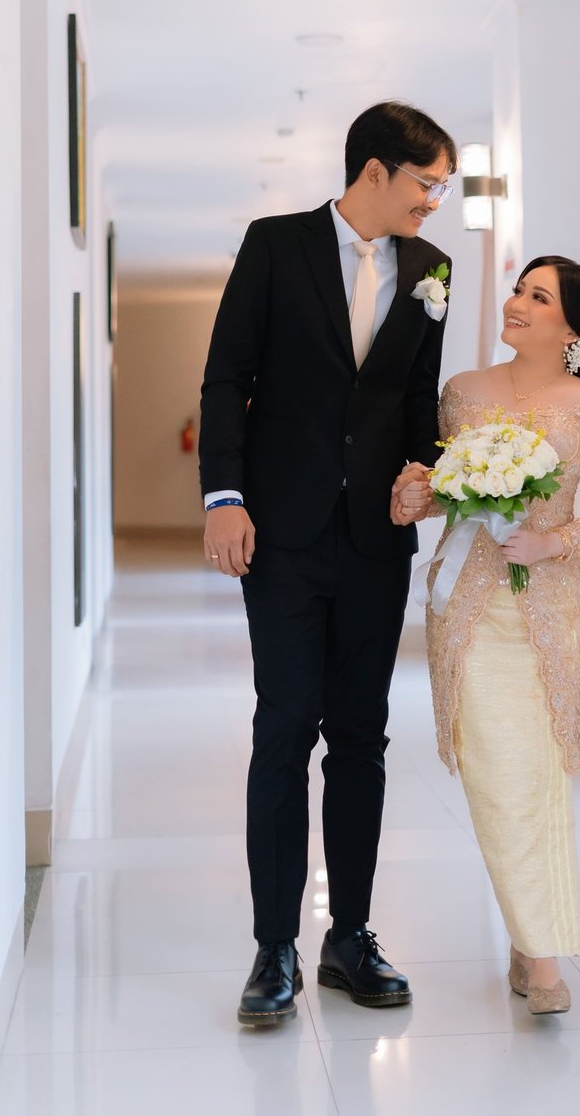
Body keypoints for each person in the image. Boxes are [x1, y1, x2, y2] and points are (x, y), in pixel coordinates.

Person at [199, 101, 457, 1026]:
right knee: (284, 730)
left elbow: (417, 398)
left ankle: (350, 936)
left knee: (360, 737)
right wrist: (224, 498)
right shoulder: (276, 244)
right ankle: (274, 946)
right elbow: (227, 377)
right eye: (427, 183)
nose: (435, 202)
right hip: (282, 535)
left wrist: (422, 472)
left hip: (375, 541)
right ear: (375, 171)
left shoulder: (432, 269)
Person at [394, 255, 580, 1015]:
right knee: (495, 775)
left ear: (574, 329)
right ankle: (536, 943)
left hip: (551, 610)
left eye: (537, 296)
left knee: (537, 775)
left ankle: (536, 954)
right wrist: (415, 495)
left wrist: (551, 542)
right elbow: (443, 489)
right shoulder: (463, 392)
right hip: (467, 604)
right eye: (519, 289)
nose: (516, 302)